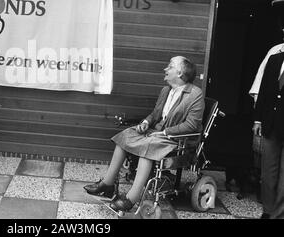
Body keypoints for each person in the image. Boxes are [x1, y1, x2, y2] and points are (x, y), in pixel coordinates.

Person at [84, 56, 204, 212]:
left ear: (180, 72)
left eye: (170, 66)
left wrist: (165, 132)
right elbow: (155, 115)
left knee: (148, 147)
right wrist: (146, 123)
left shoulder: (195, 94)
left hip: (176, 140)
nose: (165, 69)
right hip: (157, 133)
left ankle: (131, 199)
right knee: (126, 135)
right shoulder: (166, 90)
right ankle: (107, 184)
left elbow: (192, 125)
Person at [250, 0, 284, 219]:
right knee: (268, 172)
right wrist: (258, 120)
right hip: (271, 122)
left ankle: (279, 214)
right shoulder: (275, 53)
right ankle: (268, 211)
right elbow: (261, 90)